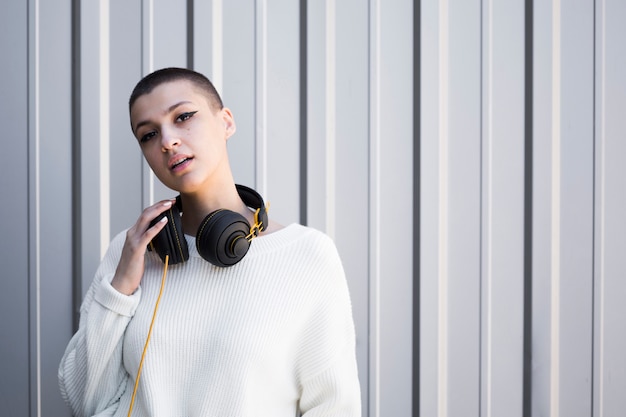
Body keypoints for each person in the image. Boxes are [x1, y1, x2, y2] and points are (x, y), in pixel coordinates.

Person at [58, 67, 361, 416]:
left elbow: (334, 406)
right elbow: (83, 400)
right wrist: (120, 288)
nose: (167, 140)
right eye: (148, 134)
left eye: (184, 116)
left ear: (226, 122)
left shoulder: (307, 255)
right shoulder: (132, 252)